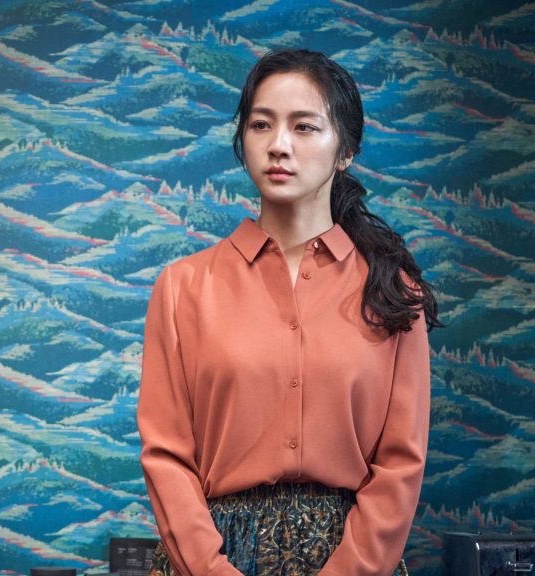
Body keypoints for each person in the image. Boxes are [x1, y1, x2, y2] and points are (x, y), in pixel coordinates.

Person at [137, 48, 440, 576]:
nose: (278, 146)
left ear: (345, 150)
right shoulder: (182, 287)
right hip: (211, 555)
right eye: (261, 125)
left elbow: (399, 464)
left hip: (354, 556)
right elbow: (166, 457)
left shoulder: (393, 292)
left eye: (305, 127)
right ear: (243, 141)